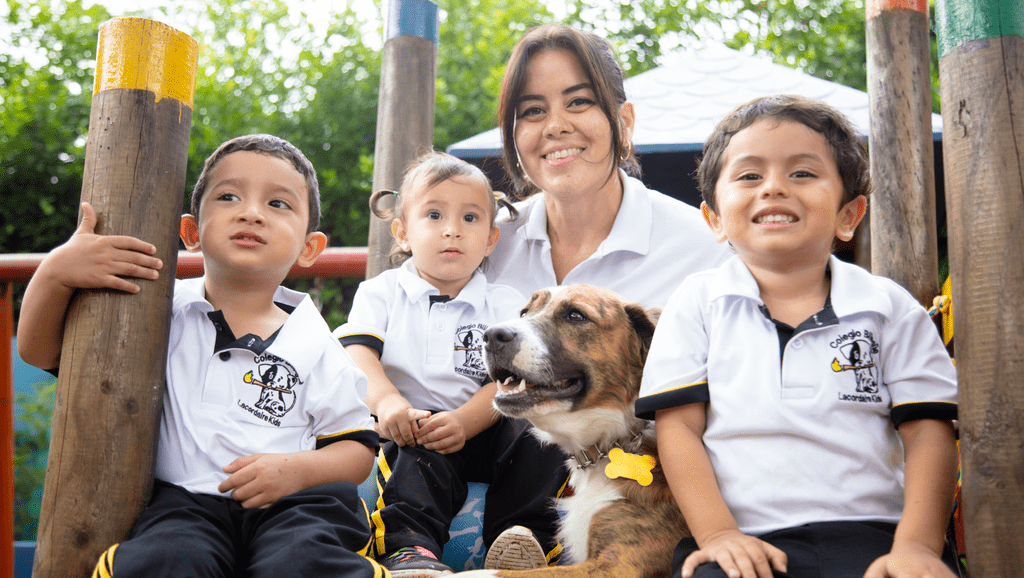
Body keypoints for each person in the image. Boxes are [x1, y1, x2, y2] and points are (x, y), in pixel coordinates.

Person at [17, 134, 383, 578]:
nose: (251, 212)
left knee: (302, 563)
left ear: (310, 247)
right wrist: (55, 273)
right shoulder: (156, 314)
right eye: (229, 196)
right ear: (191, 232)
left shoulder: (318, 343)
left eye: (278, 204)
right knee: (165, 561)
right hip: (187, 504)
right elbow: (39, 350)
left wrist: (297, 470)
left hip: (297, 505)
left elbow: (358, 449)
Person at [636, 95, 960, 578]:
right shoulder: (696, 302)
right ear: (715, 220)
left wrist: (917, 547)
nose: (774, 188)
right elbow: (678, 430)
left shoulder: (888, 307)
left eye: (802, 174)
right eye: (749, 175)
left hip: (877, 537)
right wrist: (718, 535)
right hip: (743, 541)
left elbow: (929, 433)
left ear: (849, 216)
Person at [337, 151, 566, 577]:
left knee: (540, 427)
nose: (452, 231)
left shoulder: (504, 302)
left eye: (470, 219)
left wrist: (464, 421)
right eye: (435, 215)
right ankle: (411, 550)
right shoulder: (382, 292)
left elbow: (511, 381)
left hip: (485, 424)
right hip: (414, 427)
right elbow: (358, 354)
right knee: (415, 457)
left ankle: (521, 537)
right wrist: (388, 404)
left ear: (491, 240)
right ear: (403, 232)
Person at [487, 24, 731, 308]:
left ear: (625, 123)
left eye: (578, 102)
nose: (555, 127)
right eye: (533, 111)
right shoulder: (486, 247)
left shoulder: (705, 251)